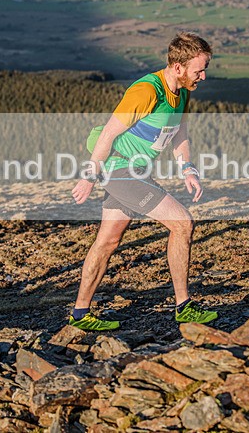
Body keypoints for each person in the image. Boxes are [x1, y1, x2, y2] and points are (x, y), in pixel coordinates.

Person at [69, 32, 217, 330]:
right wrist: (90, 176)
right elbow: (109, 133)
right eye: (198, 69)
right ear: (178, 67)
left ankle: (80, 314)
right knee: (182, 223)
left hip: (135, 171)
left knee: (108, 241)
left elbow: (180, 134)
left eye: (204, 69)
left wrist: (187, 168)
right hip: (119, 168)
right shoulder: (146, 92)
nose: (203, 76)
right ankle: (184, 306)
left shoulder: (183, 92)